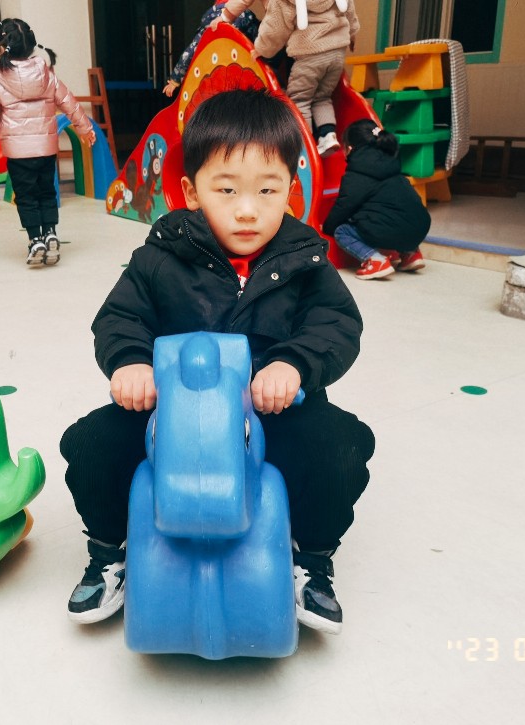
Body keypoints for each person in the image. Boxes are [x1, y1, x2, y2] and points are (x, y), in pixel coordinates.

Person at [60, 89, 374, 635]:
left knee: (341, 447)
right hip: (173, 409)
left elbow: (337, 323)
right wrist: (131, 363)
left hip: (274, 409)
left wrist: (294, 364)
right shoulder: (161, 257)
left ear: (291, 191)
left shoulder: (304, 260)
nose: (247, 209)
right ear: (191, 191)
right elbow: (120, 317)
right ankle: (110, 551)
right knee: (90, 444)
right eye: (226, 190)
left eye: (267, 190)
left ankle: (311, 558)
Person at [0, 17, 96, 267]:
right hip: (46, 150)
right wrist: (85, 128)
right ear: (31, 44)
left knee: (26, 197)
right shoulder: (46, 73)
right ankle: (51, 234)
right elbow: (69, 103)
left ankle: (35, 240)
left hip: (18, 154)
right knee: (47, 192)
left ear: (2, 46)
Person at [220, 0, 357, 156]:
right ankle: (328, 135)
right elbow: (349, 11)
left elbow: (276, 27)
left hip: (310, 55)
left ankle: (305, 145)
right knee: (322, 97)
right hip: (337, 53)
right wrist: (352, 35)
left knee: (300, 99)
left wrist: (262, 49)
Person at [322, 119, 430, 279]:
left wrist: (327, 228)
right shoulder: (391, 162)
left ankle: (375, 261)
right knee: (394, 216)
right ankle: (411, 254)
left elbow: (344, 206)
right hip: (420, 227)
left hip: (392, 231)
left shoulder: (356, 174)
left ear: (349, 149)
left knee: (342, 231)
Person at [163, 1, 262, 97]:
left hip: (215, 71)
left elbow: (190, 52)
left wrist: (174, 80)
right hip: (241, 69)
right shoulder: (247, 18)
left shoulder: (210, 23)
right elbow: (261, 39)